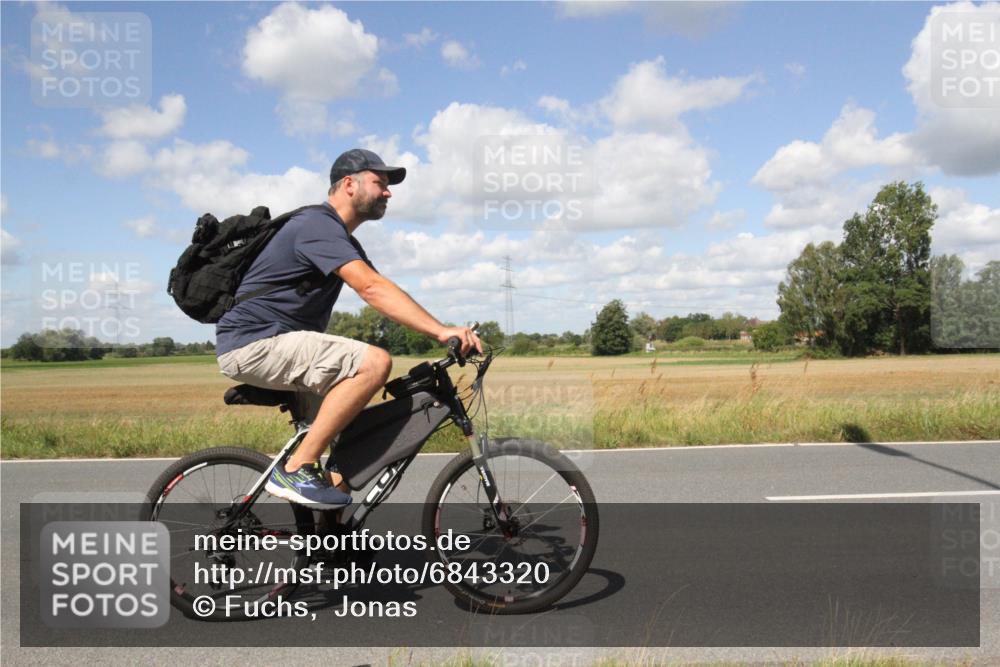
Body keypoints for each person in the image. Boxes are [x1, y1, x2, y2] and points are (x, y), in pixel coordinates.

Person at [215, 148, 482, 509]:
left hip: (279, 342)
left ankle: (330, 548)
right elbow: (369, 288)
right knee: (373, 362)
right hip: (256, 342)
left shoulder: (340, 238)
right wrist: (439, 331)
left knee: (347, 449)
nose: (388, 192)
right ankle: (295, 469)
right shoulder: (315, 225)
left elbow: (382, 289)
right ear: (348, 185)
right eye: (380, 183)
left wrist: (437, 329)